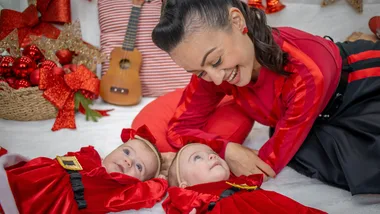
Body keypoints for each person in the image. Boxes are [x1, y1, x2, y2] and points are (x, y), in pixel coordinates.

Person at [152, 0, 380, 195]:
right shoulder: (212, 73)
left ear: (237, 21)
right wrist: (227, 149)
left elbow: (265, 164)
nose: (217, 80)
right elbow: (178, 128)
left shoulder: (305, 71)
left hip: (364, 88)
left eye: (217, 61)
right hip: (312, 115)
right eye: (199, 72)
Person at [0, 125, 168, 214]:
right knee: (12, 179)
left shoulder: (115, 191)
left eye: (139, 167)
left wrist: (161, 180)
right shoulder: (91, 156)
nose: (128, 161)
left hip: (51, 203)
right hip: (35, 176)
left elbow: (145, 194)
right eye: (126, 151)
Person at [163, 142, 326, 214]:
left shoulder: (245, 185)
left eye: (212, 153)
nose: (212, 157)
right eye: (197, 158)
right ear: (184, 187)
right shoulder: (194, 203)